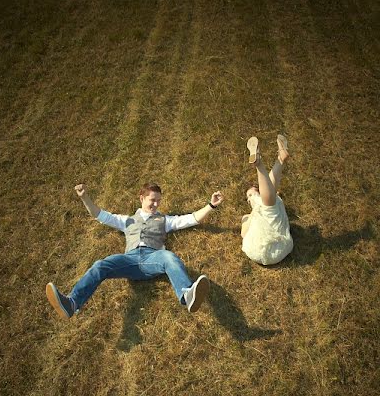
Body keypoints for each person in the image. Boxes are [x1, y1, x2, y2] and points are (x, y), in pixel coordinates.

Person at [46, 182, 224, 319]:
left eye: (159, 201)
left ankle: (186, 294)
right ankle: (72, 303)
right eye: (152, 200)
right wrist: (85, 198)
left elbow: (191, 219)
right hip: (129, 261)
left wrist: (211, 205)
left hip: (153, 258)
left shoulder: (164, 220)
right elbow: (99, 215)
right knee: (100, 265)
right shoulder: (127, 220)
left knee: (169, 257)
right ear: (142, 198)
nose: (156, 204)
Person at [241, 135, 293, 265]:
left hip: (258, 252)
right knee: (269, 207)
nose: (250, 197)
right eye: (249, 196)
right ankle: (262, 164)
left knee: (268, 204)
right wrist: (252, 215)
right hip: (278, 248)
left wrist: (248, 218)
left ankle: (280, 160)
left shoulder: (249, 214)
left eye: (250, 194)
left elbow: (244, 235)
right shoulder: (265, 203)